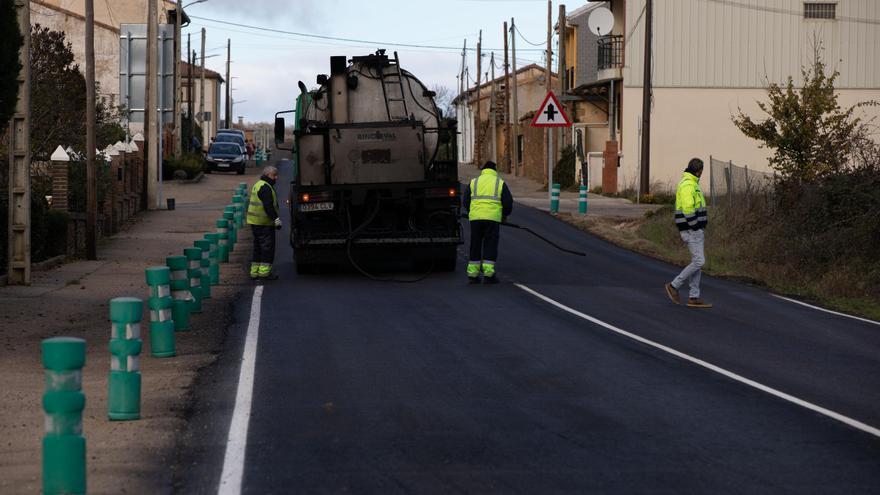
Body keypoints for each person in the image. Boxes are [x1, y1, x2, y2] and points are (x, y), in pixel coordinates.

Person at [665, 158, 712, 308]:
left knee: (697, 262)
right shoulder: (688, 185)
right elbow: (688, 209)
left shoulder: (692, 184)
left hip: (695, 229)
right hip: (691, 229)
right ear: (699, 171)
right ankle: (674, 285)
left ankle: (694, 296)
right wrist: (696, 226)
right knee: (699, 261)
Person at [462, 161, 513, 284]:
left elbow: (465, 200)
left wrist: (472, 211)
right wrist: (504, 215)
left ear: (483, 170)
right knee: (490, 244)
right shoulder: (499, 183)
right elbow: (508, 202)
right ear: (494, 171)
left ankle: (473, 275)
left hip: (476, 219)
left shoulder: (474, 182)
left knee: (475, 244)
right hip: (492, 219)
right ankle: (489, 275)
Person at [246, 165, 282, 280]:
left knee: (257, 247)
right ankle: (264, 273)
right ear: (267, 175)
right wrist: (276, 219)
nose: (276, 178)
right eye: (274, 175)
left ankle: (254, 272)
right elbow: (268, 206)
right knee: (267, 248)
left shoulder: (258, 185)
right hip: (264, 224)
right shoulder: (265, 188)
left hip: (255, 223)